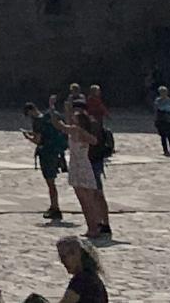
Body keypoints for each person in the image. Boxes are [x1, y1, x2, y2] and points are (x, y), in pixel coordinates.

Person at [56, 108, 109, 241]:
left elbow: (60, 125)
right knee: (90, 200)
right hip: (85, 165)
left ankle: (92, 228)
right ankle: (95, 226)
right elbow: (94, 141)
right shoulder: (83, 132)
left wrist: (52, 110)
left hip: (77, 167)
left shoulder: (75, 130)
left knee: (84, 202)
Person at [23, 103, 67, 223]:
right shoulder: (47, 118)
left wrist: (28, 137)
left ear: (30, 111)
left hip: (46, 154)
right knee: (52, 182)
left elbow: (38, 140)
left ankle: (55, 207)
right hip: (55, 152)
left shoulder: (37, 122)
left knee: (50, 182)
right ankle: (54, 206)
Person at [50, 235, 105, 303]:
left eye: (64, 257)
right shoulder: (92, 277)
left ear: (77, 254)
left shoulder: (81, 280)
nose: (62, 261)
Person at [152, 86, 170, 158]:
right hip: (161, 119)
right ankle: (165, 150)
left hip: (169, 118)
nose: (164, 93)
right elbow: (157, 109)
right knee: (163, 136)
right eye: (162, 92)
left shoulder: (169, 100)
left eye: (165, 92)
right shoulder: (158, 100)